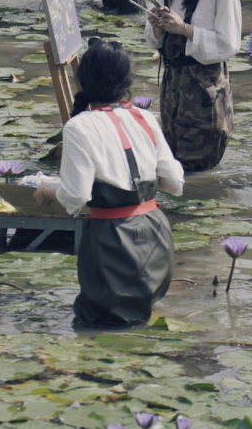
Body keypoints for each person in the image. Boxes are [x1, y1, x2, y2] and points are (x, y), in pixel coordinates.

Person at [34, 40, 183, 327]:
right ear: (127, 80)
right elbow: (174, 182)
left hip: (113, 242)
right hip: (157, 238)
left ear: (84, 81)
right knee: (145, 322)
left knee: (98, 326)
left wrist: (45, 193)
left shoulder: (79, 126)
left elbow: (75, 198)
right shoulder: (144, 118)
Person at [145, 0, 241, 171]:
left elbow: (228, 44)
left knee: (198, 163)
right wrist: (158, 26)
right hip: (172, 87)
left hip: (205, 88)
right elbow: (154, 41)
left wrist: (186, 29)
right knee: (170, 161)